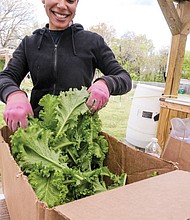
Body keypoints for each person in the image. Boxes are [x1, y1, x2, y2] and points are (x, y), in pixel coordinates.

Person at [0, 0, 132, 132]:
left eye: (70, 0)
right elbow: (6, 77)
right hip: (38, 133)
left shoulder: (93, 42)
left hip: (78, 134)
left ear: (76, 3)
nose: (62, 6)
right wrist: (13, 94)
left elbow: (124, 77)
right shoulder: (29, 44)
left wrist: (106, 84)